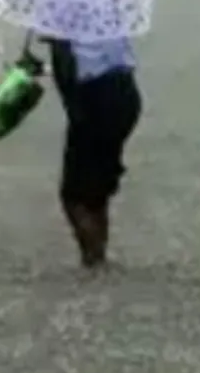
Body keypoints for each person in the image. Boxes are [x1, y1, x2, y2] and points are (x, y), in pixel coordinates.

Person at [42, 34, 142, 268]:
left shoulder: (61, 26)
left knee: (73, 195)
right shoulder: (109, 16)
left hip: (93, 100)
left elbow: (68, 75)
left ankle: (93, 259)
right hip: (125, 92)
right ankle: (99, 254)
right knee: (97, 189)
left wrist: (77, 115)